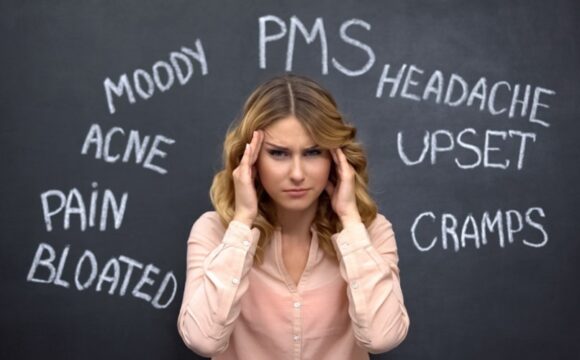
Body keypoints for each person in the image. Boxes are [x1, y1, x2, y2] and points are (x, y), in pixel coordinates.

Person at [177, 73, 410, 359]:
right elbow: (203, 341)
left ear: (335, 159)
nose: (297, 174)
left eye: (313, 152)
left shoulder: (372, 233)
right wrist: (243, 220)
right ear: (250, 159)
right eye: (278, 154)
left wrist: (350, 219)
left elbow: (382, 338)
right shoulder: (213, 232)